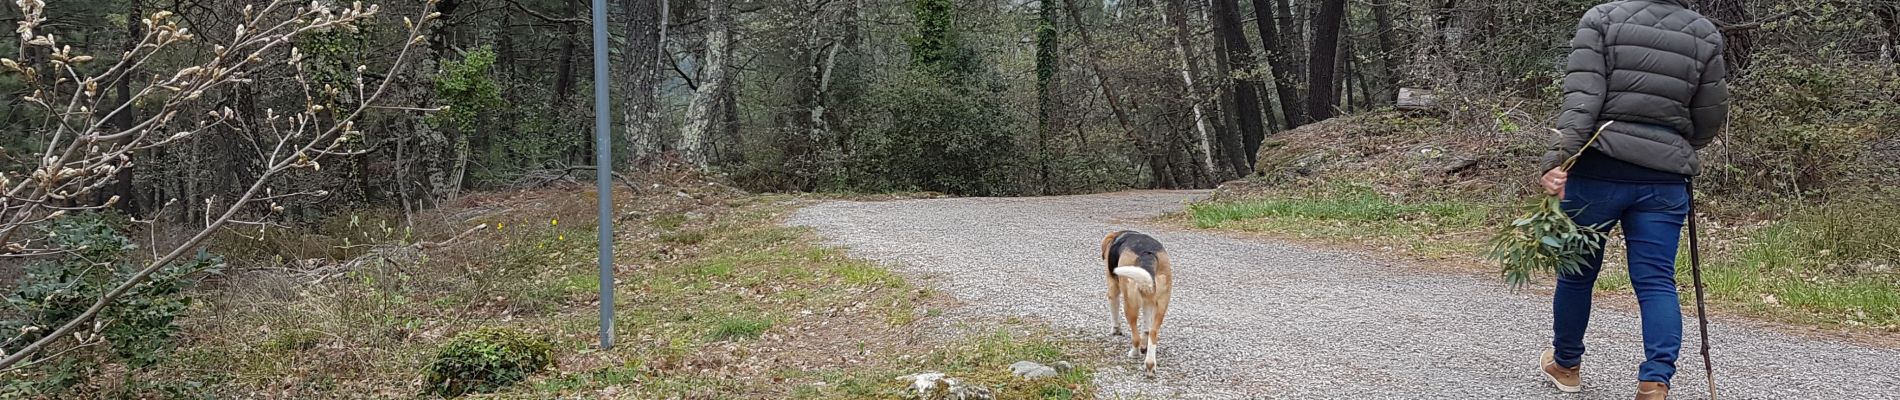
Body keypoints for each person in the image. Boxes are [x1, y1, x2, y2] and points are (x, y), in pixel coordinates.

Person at [1535, 0, 1730, 399]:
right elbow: (1711, 115)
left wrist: (1557, 159)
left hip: (1598, 170)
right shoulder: (1703, 32)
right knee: (1657, 281)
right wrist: (1673, 148)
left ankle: (1567, 365)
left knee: (1577, 273)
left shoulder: (1603, 19)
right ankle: (1655, 381)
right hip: (1664, 179)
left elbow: (1582, 100)